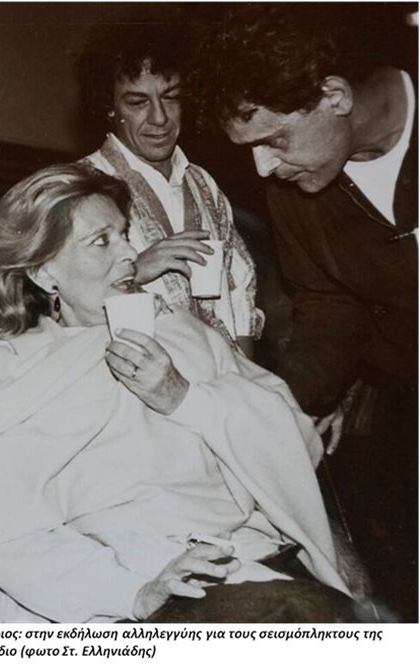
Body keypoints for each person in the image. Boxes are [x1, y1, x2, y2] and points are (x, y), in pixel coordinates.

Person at [0, 164, 366, 623]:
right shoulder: (0, 369)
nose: (129, 254)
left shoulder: (183, 333)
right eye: (101, 241)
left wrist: (185, 399)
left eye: (124, 234)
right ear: (44, 272)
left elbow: (296, 439)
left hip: (259, 561)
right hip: (136, 585)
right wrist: (133, 593)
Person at [195, 5, 417, 620]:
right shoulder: (299, 192)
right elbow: (329, 309)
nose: (264, 167)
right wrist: (275, 411)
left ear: (335, 96)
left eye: (274, 140)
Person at [77, 25, 263, 357]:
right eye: (138, 102)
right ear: (109, 106)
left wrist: (245, 377)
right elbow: (57, 302)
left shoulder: (203, 183)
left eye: (171, 97)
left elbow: (240, 291)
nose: (160, 117)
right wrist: (134, 270)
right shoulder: (77, 187)